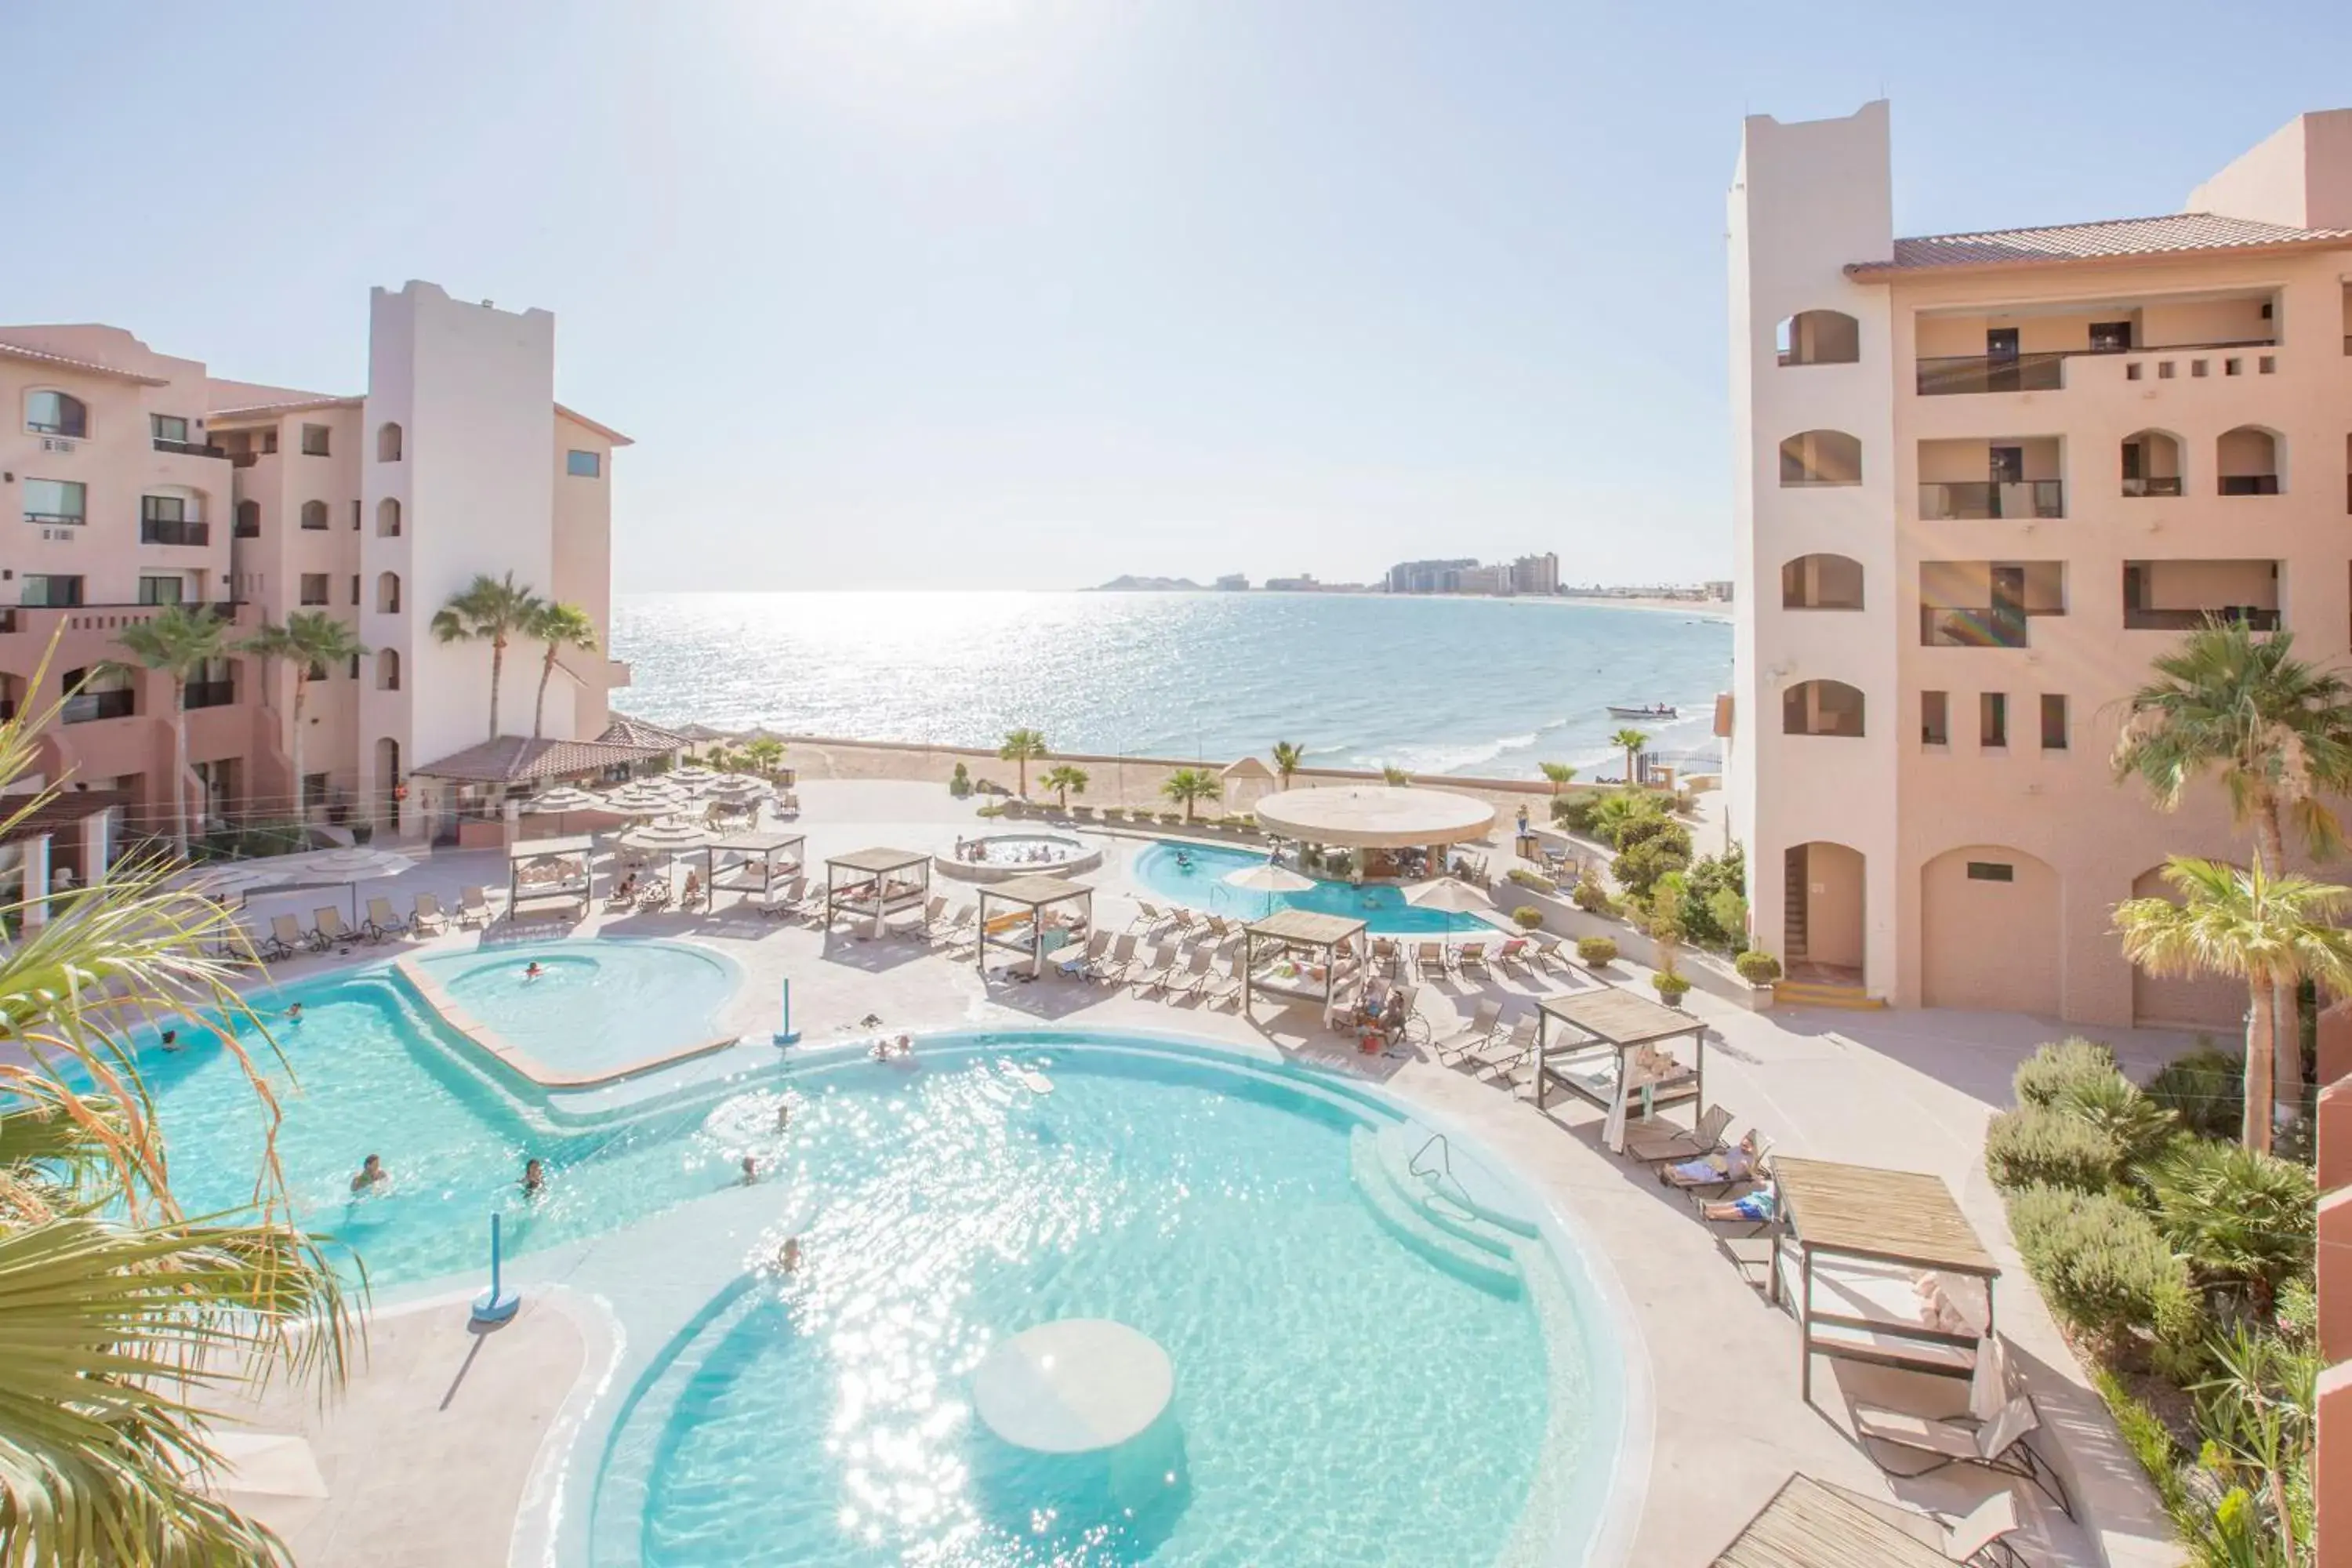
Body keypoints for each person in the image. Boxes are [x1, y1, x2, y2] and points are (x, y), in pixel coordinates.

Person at [1661, 1131, 1760, 1190]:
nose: (1743, 1147)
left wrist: (1747, 1168)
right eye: (1743, 1144)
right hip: (1716, 1164)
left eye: (1747, 1146)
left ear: (1753, 1148)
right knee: (1697, 1165)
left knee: (1700, 1173)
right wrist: (1721, 1151)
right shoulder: (1737, 1148)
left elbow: (1752, 1175)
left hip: (1722, 1174)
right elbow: (1726, 1153)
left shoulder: (1750, 1160)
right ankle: (1674, 1171)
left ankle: (1674, 1174)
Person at [1700, 1189, 1775, 1225]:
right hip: (1757, 1199)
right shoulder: (1774, 1185)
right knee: (1735, 1204)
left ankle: (1713, 1214)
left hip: (1764, 1208)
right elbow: (1762, 1182)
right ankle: (1709, 1208)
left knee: (1739, 1211)